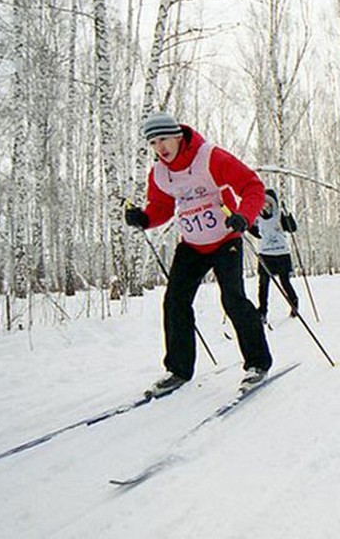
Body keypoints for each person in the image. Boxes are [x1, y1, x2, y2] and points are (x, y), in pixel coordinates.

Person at [124, 112, 272, 396]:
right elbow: (162, 207)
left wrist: (244, 215)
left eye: (164, 139)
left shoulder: (210, 157)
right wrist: (143, 219)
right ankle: (178, 370)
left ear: (178, 135)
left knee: (233, 299)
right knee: (175, 302)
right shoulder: (160, 173)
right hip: (192, 243)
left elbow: (252, 185)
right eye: (153, 143)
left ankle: (257, 363)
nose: (160, 148)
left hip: (226, 237)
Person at [248, 188, 300, 323]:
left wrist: (288, 215)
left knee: (285, 282)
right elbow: (256, 232)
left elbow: (292, 228)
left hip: (282, 254)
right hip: (265, 255)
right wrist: (245, 225)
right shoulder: (258, 218)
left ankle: (294, 304)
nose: (265, 206)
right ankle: (262, 311)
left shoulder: (280, 215)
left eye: (268, 203)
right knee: (263, 284)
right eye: (263, 203)